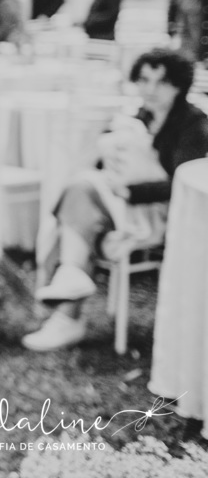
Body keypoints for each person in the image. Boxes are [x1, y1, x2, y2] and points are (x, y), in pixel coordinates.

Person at [24, 49, 208, 351]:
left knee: (78, 196)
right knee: (81, 193)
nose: (149, 89)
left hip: (158, 214)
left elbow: (183, 182)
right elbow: (104, 166)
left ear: (178, 85)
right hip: (117, 209)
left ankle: (68, 312)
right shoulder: (136, 117)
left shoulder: (193, 124)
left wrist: (130, 191)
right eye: (144, 79)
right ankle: (69, 294)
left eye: (161, 82)